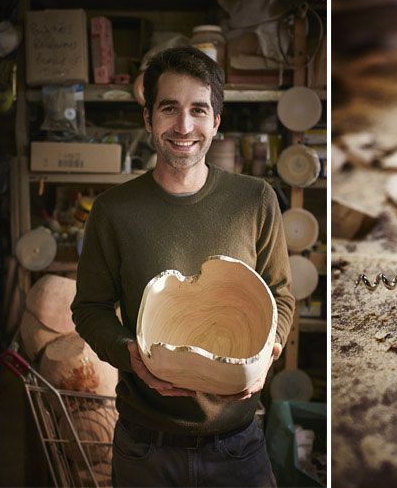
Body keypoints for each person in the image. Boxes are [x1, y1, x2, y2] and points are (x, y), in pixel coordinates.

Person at [71, 46, 295, 486]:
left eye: (198, 109)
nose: (184, 126)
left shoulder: (255, 200)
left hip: (238, 443)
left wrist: (269, 352)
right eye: (169, 108)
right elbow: (90, 309)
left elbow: (281, 295)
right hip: (146, 447)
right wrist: (129, 355)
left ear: (216, 121)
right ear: (148, 119)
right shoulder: (113, 210)